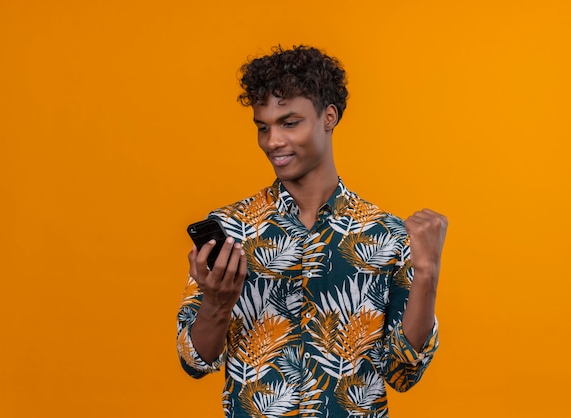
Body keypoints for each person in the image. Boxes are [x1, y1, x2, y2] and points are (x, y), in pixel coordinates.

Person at [176, 45, 448, 417]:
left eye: (289, 123)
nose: (272, 141)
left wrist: (427, 274)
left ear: (329, 117)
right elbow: (195, 362)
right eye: (263, 127)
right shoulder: (231, 229)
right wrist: (216, 304)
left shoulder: (386, 236)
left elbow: (403, 373)